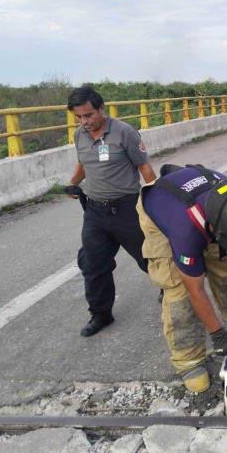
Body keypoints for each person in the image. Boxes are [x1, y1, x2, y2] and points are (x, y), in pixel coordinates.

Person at [137, 164, 227, 393]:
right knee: (179, 293)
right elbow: (195, 290)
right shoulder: (184, 230)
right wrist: (217, 336)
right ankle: (189, 360)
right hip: (163, 209)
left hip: (203, 209)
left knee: (225, 266)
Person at [67, 86, 157, 337]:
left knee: (150, 257)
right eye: (79, 117)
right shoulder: (79, 135)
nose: (84, 122)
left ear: (101, 109)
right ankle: (100, 313)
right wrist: (73, 183)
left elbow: (145, 169)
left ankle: (169, 289)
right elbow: (83, 162)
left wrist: (156, 202)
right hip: (95, 212)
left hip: (127, 209)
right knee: (93, 263)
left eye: (88, 115)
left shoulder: (125, 132)